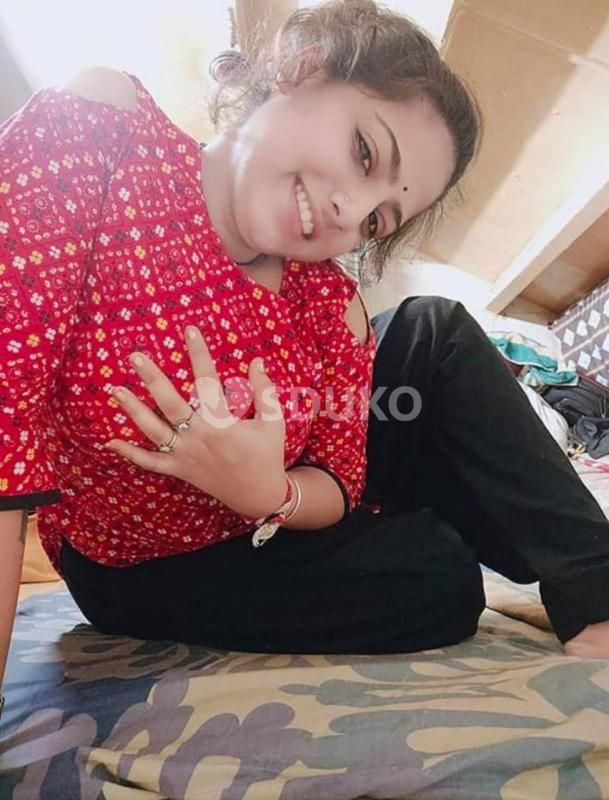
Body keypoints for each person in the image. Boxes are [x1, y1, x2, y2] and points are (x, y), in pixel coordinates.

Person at [2, 0, 609, 715]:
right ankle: (469, 525)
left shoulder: (329, 300)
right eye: (364, 153)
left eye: (377, 219)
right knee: (441, 576)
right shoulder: (105, 127)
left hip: (278, 506)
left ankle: (597, 598)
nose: (349, 214)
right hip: (149, 560)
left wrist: (269, 493)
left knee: (434, 327)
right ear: (303, 66)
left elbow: (337, 479)